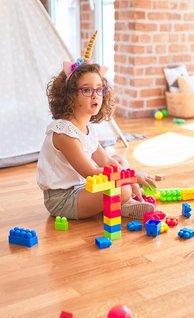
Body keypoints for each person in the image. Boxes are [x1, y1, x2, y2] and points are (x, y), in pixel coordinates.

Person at [36, 31, 157, 220]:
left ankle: (126, 204)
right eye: (86, 90)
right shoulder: (63, 133)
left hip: (84, 187)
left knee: (118, 160)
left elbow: (106, 161)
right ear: (70, 95)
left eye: (99, 89)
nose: (95, 95)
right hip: (64, 198)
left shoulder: (88, 129)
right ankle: (125, 200)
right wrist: (131, 177)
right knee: (122, 188)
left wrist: (127, 172)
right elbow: (91, 172)